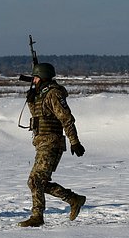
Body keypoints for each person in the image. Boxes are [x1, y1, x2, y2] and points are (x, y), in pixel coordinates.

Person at [19, 62, 87, 227]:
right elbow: (39, 115)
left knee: (36, 180)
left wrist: (74, 141)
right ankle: (73, 199)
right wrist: (31, 98)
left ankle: (38, 216)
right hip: (42, 143)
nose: (33, 80)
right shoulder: (41, 94)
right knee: (36, 182)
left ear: (41, 77)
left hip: (51, 143)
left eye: (35, 77)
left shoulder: (53, 94)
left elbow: (66, 118)